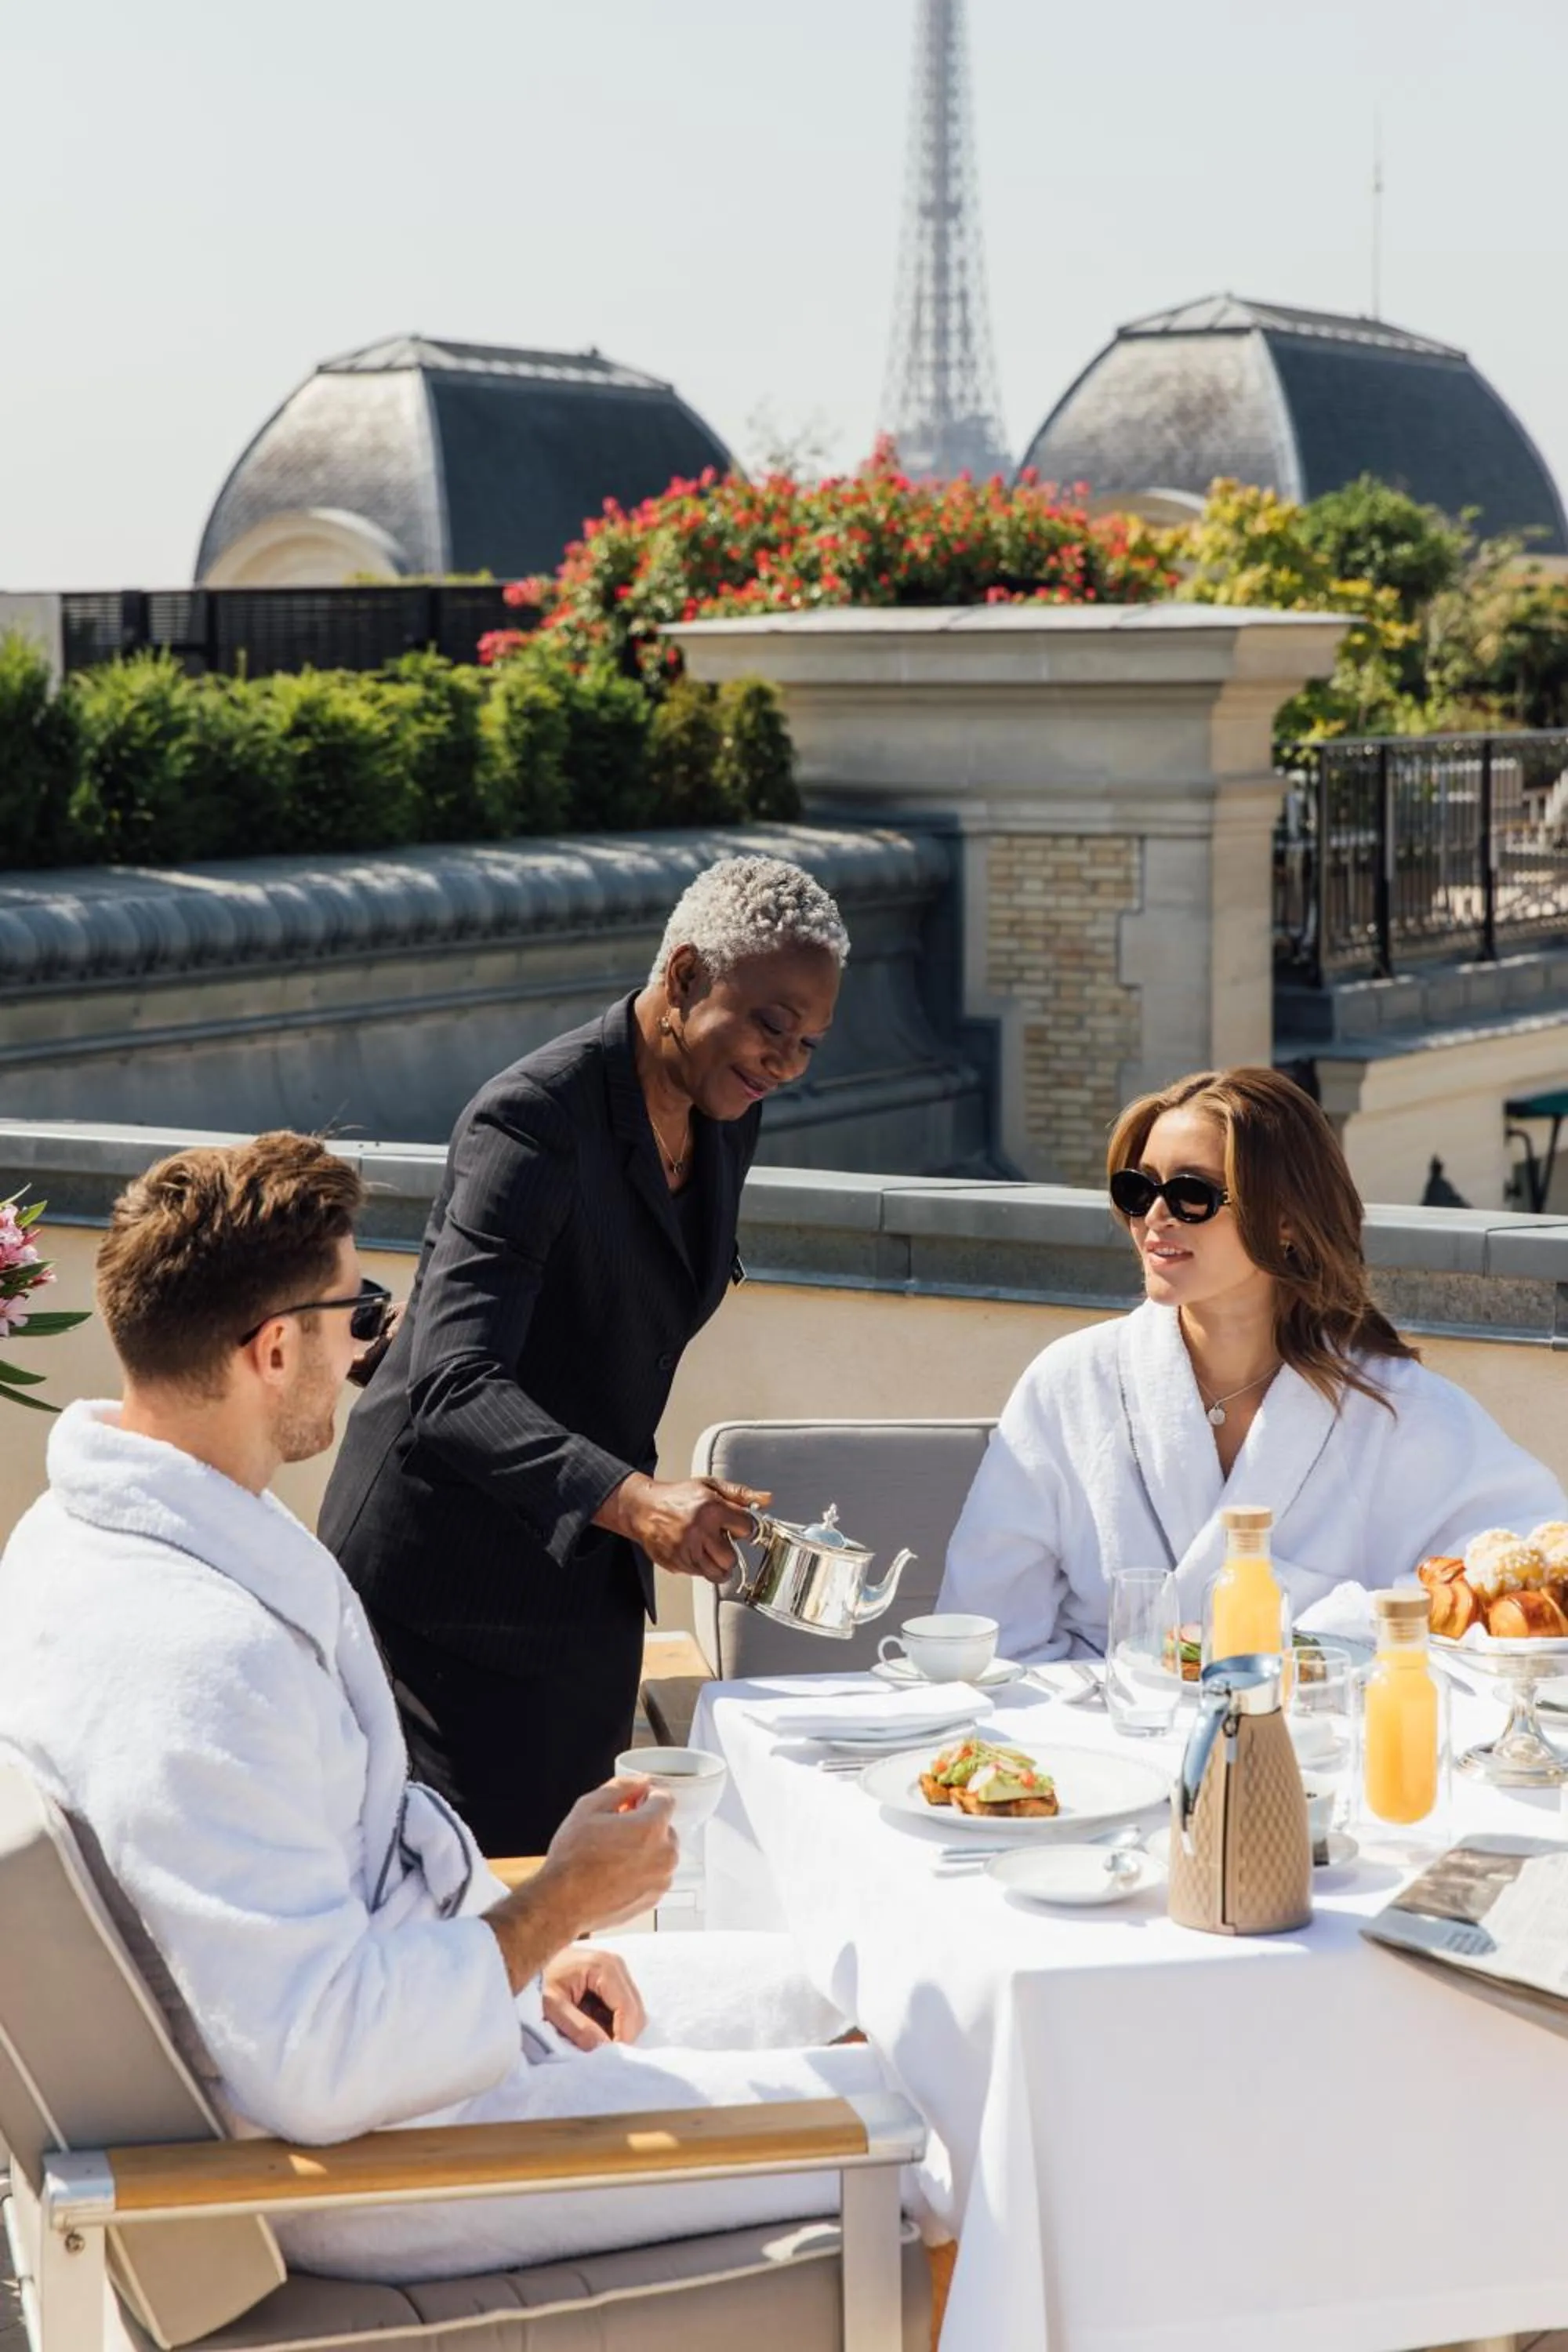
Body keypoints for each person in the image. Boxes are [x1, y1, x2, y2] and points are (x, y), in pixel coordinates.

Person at [0, 1133, 903, 2285]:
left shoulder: (90, 1533)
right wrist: (550, 1909)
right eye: (358, 1309)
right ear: (276, 1349)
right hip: (377, 2166)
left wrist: (521, 1948)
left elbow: (333, 1880)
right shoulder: (192, 1659)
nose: (376, 1340)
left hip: (422, 2044)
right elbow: (314, 2060)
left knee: (865, 1984)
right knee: (922, 2106)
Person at [319, 855, 848, 1852]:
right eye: (771, 1026)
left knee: (584, 1898)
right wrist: (642, 1502)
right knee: (485, 1909)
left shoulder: (726, 1110)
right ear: (686, 976)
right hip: (443, 1594)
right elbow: (450, 1383)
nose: (784, 1062)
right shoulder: (532, 1119)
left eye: (809, 1043)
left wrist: (638, 1510)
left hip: (580, 1576)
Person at [939, 1066, 1568, 1657]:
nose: (1154, 1216)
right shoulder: (1070, 1385)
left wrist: (1333, 1631)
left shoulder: (1397, 1409)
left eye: (1191, 1194)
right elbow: (984, 1632)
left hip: (1316, 1747)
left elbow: (1532, 1560)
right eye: (1138, 1189)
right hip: (1101, 1744)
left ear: (1289, 1220)